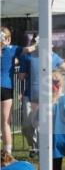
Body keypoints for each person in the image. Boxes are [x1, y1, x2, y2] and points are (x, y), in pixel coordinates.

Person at [1, 26, 31, 155]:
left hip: (5, 87)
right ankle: (7, 153)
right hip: (6, 87)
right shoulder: (12, 49)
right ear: (8, 39)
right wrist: (39, 44)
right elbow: (27, 50)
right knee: (6, 123)